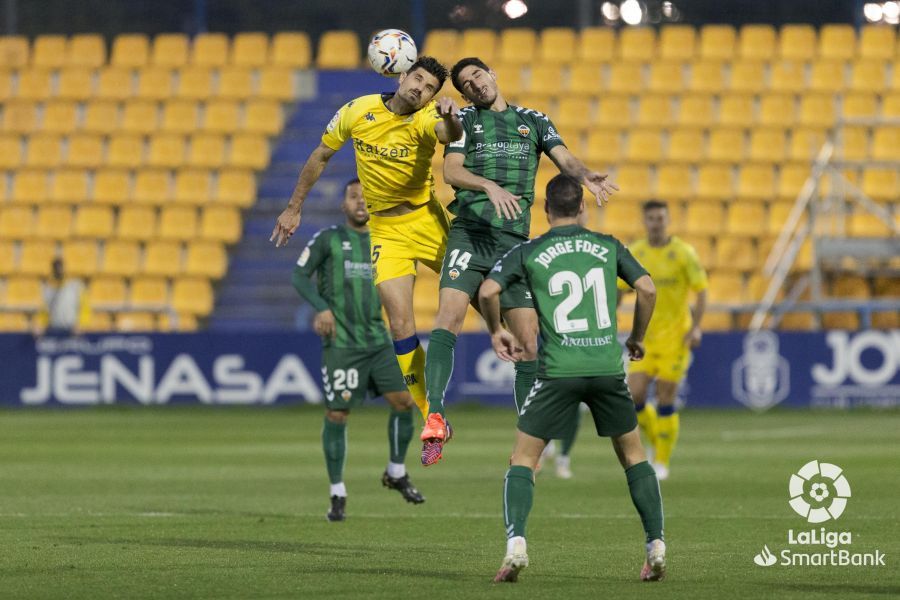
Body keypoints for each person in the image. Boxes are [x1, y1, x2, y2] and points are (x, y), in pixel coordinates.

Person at [420, 57, 618, 466]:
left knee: (528, 344)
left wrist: (586, 177)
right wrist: (488, 185)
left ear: (493, 73)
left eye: (477, 76)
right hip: (470, 234)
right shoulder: (465, 122)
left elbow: (564, 158)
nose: (474, 85)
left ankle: (529, 434)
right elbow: (453, 172)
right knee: (448, 317)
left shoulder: (534, 120)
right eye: (466, 84)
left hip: (512, 243)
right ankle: (435, 416)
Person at [478, 174, 665, 583]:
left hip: (558, 370)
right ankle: (656, 547)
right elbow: (647, 290)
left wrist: (497, 330)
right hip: (605, 367)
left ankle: (516, 547)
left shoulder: (531, 250)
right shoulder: (608, 245)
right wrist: (636, 338)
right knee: (633, 456)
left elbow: (489, 291)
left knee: (523, 460)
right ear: (582, 206)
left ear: (545, 210)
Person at [271, 57, 463, 424]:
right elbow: (322, 155)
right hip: (387, 232)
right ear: (403, 74)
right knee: (400, 326)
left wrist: (451, 116)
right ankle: (432, 416)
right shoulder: (358, 110)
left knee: (481, 289)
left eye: (429, 89)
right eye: (418, 80)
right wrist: (294, 207)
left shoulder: (425, 118)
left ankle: (529, 342)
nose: (420, 90)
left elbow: (447, 134)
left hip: (426, 221)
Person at [291, 179, 425, 522]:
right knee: (338, 414)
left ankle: (396, 471)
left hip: (379, 342)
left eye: (366, 197)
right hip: (343, 344)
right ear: (343, 205)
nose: (361, 203)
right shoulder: (328, 239)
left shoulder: (387, 240)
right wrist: (320, 307)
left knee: (404, 402)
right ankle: (337, 492)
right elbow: (299, 276)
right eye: (353, 197)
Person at [618, 200, 708, 481]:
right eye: (652, 218)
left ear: (668, 220)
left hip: (675, 338)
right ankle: (659, 440)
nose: (656, 223)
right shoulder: (637, 253)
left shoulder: (683, 253)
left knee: (666, 395)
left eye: (661, 218)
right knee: (635, 395)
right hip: (644, 338)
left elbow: (701, 291)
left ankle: (662, 461)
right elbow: (620, 289)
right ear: (644, 222)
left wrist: (695, 328)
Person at [37, 258, 90, 336]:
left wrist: (82, 325)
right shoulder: (48, 289)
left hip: (73, 331)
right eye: (56, 268)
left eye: (60, 267)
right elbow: (44, 312)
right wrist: (40, 326)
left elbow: (85, 307)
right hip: (54, 330)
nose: (59, 271)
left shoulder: (75, 286)